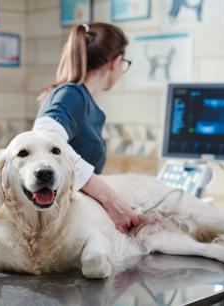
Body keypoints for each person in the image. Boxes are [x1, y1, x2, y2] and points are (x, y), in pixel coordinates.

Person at [33, 22, 139, 233]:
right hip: (61, 227)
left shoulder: (86, 103)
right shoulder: (71, 95)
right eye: (124, 63)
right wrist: (110, 200)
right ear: (116, 62)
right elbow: (43, 141)